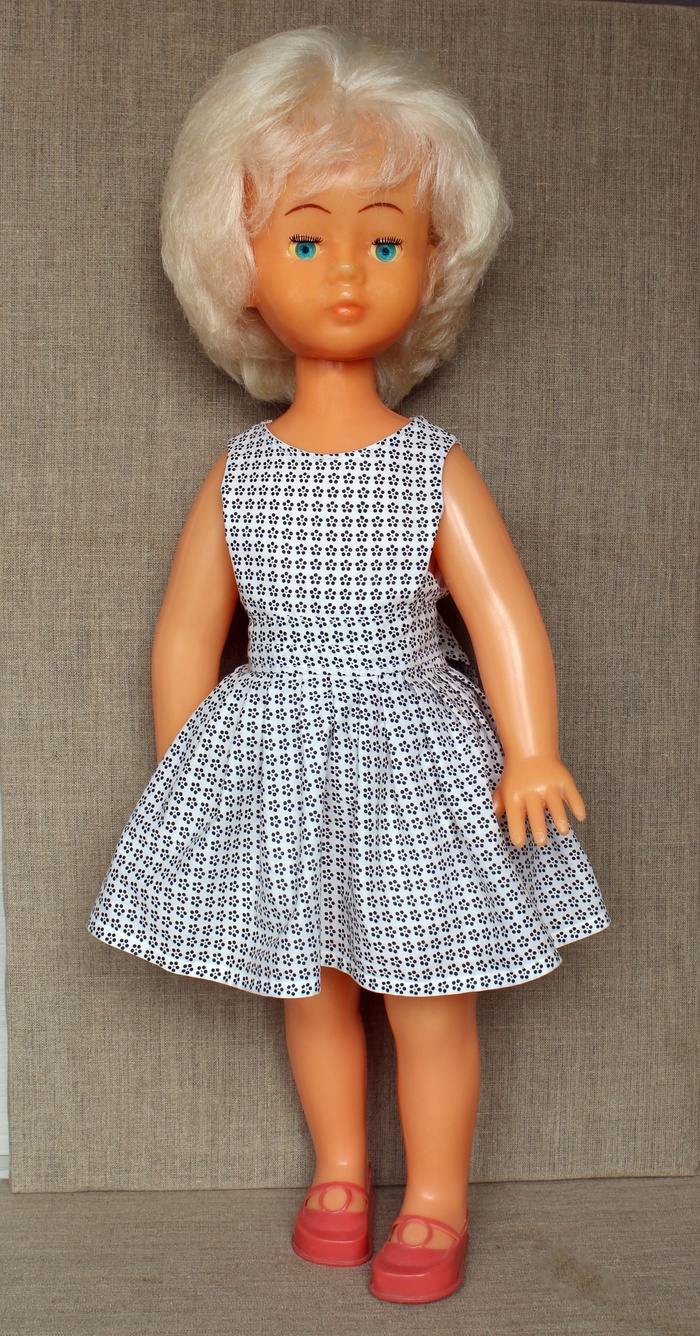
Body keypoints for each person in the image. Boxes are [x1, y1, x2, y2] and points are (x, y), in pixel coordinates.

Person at [88, 27, 610, 1305]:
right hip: (276, 753)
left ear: (434, 264)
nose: (342, 272)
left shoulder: (431, 465)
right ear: (238, 263)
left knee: (428, 990)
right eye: (304, 237)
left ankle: (432, 1196)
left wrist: (532, 748)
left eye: (384, 240)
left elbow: (503, 616)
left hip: (412, 754)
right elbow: (186, 631)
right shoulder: (241, 471)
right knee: (313, 980)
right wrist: (190, 774)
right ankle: (338, 1171)